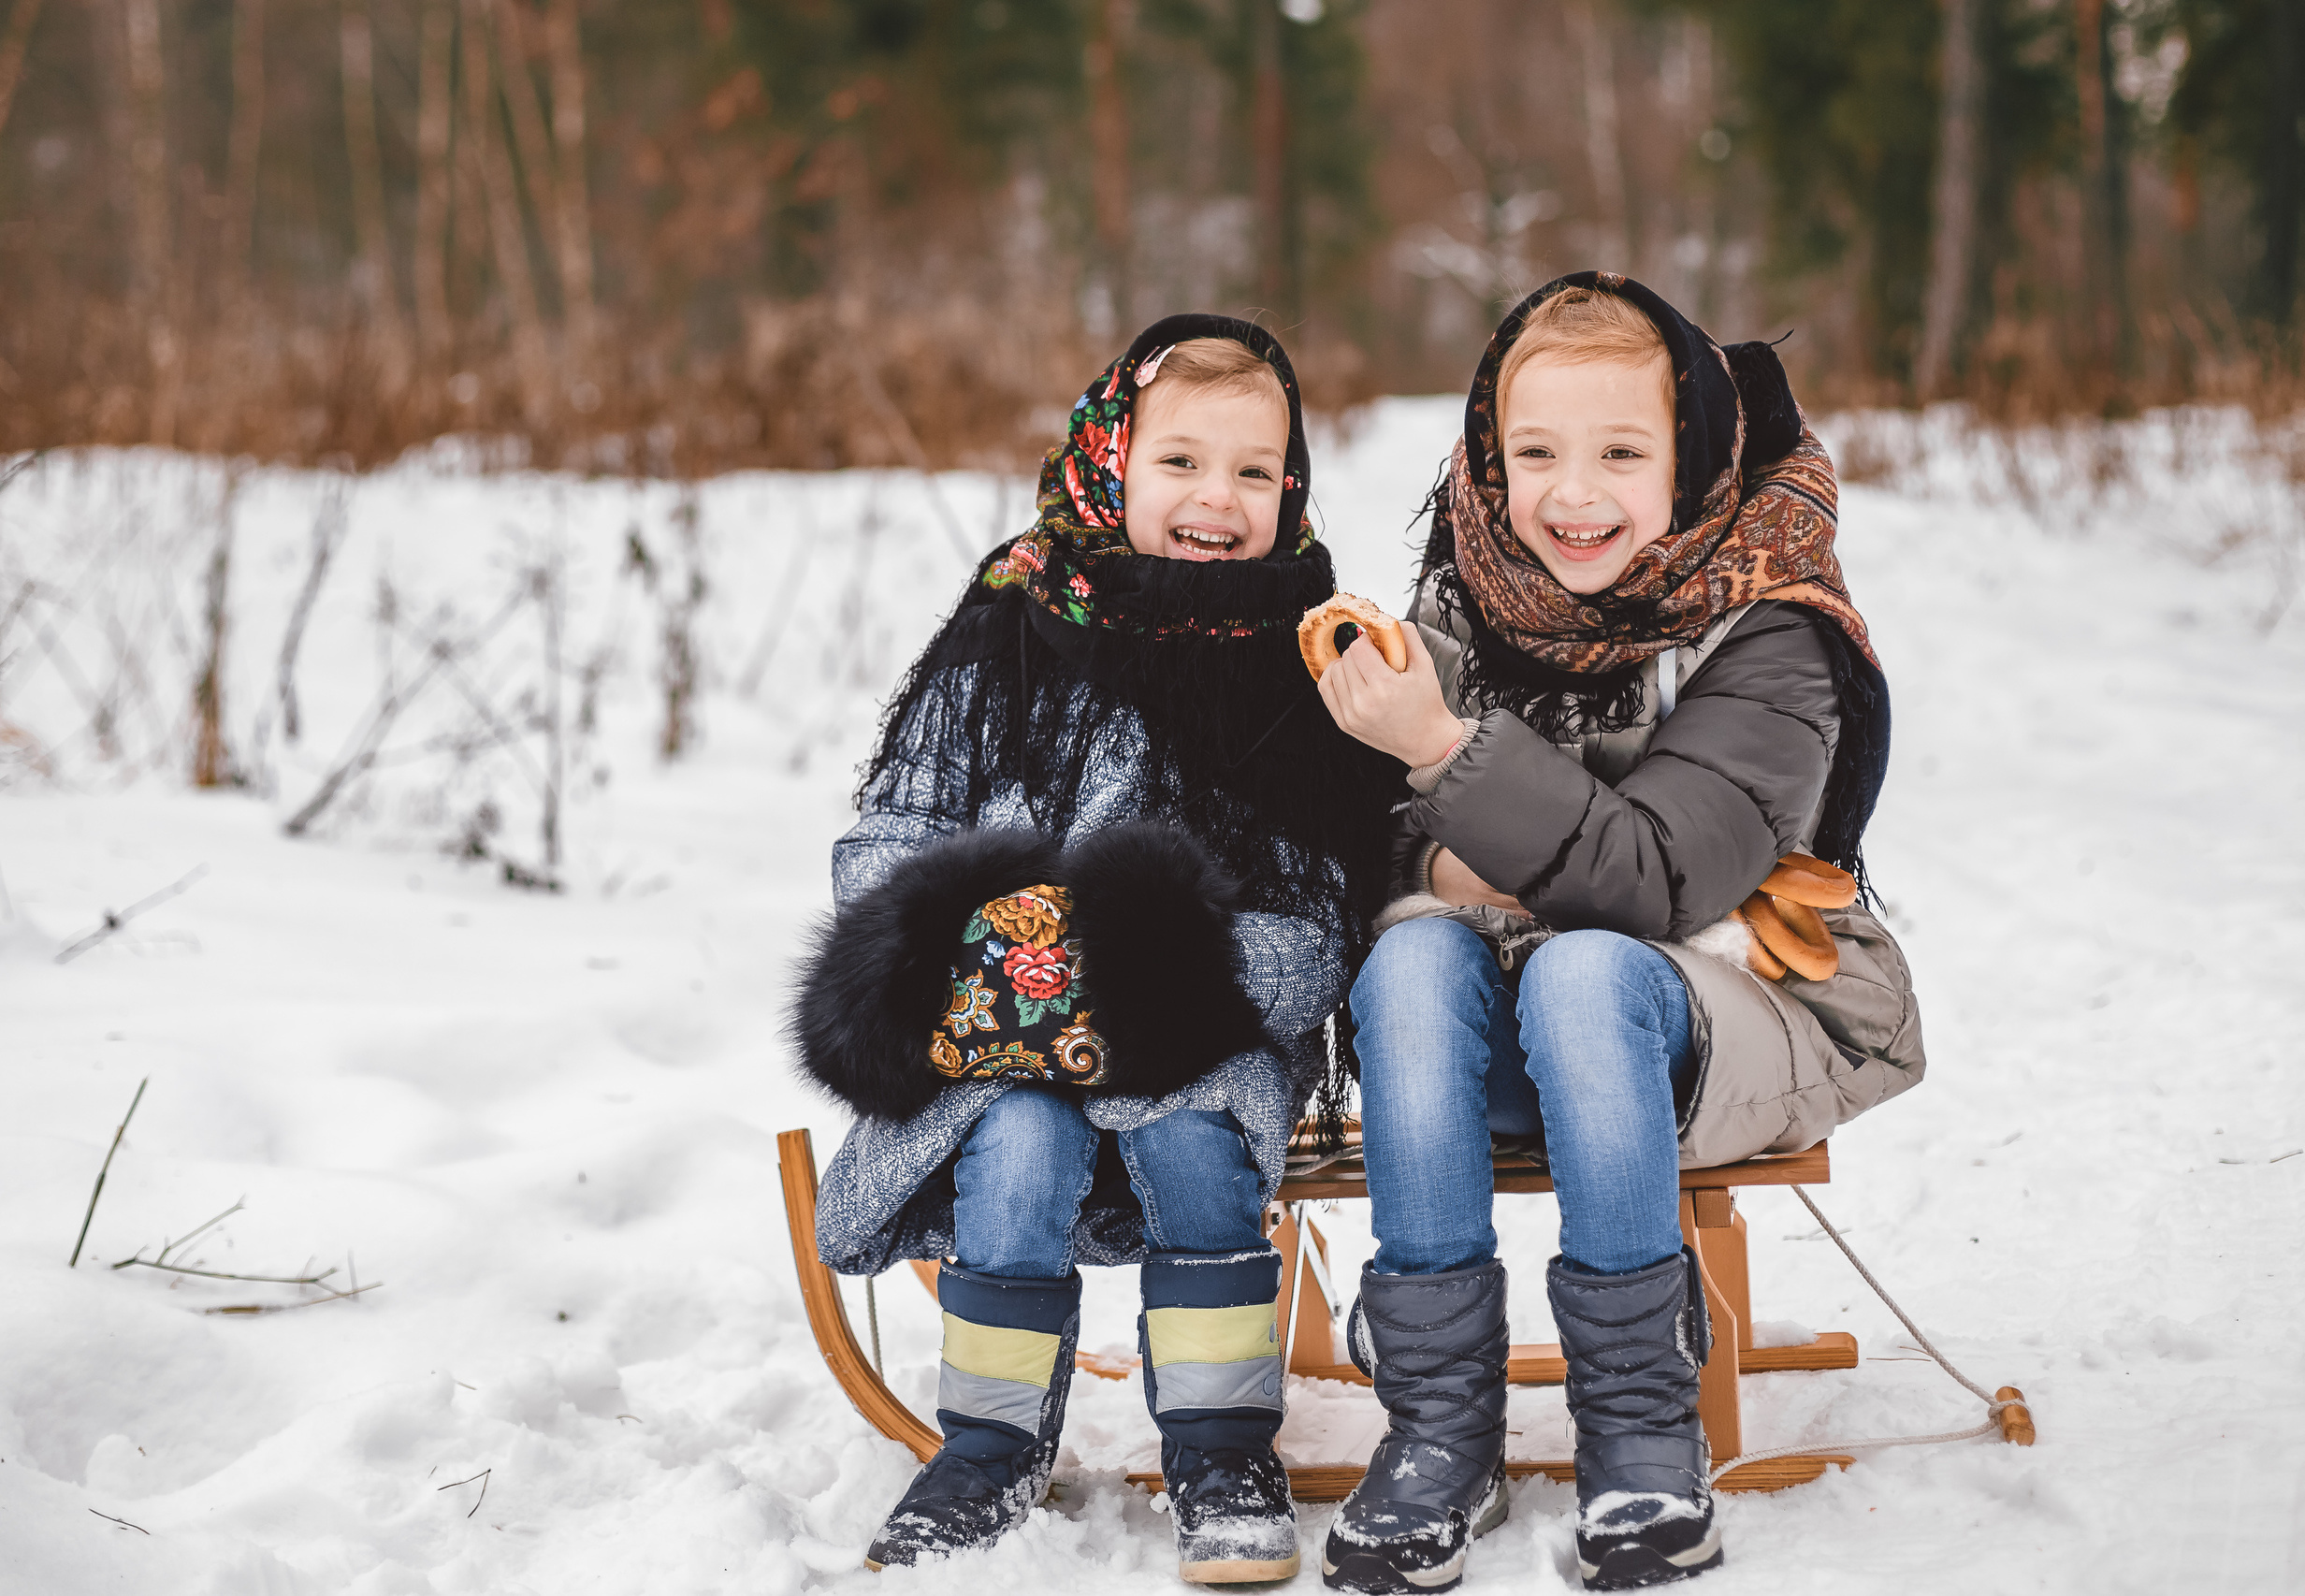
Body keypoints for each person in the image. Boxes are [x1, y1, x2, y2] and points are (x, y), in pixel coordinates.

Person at [1312, 273, 1925, 1594]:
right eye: (1534, 452)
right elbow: (1361, 839)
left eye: (1620, 452)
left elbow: (1654, 880)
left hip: (1729, 1013)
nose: (1570, 492)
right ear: (1489, 455)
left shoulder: (1771, 620)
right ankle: (1438, 1425)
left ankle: (1643, 1425)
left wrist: (1440, 753)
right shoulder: (1472, 591)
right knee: (1412, 956)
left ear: (1692, 455)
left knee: (1591, 966)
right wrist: (1440, 830)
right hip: (1505, 1027)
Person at [789, 315, 1397, 1580]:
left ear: (1291, 487)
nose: (1214, 501)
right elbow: (892, 831)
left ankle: (1222, 1441)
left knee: (1192, 1137)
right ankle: (991, 1442)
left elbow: (1323, 900)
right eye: (1180, 463)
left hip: (1193, 1023)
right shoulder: (1011, 621)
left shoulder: (1300, 660)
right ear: (1111, 460)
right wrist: (979, 943)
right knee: (1014, 1143)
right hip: (1003, 1021)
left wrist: (1198, 969)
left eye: (1251, 471)